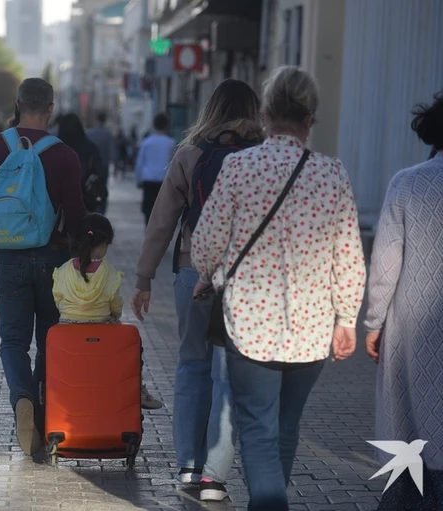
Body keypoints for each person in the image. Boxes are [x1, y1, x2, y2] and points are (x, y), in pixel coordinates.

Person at [190, 66, 366, 510]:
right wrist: (347, 318)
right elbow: (348, 254)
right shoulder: (332, 174)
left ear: (265, 115)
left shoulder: (238, 167)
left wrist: (207, 273)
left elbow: (206, 242)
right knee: (286, 428)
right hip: (312, 329)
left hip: (251, 325)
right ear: (311, 119)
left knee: (258, 429)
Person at [131, 79, 265, 501]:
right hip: (246, 279)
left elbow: (162, 222)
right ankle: (213, 474)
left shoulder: (190, 154)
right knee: (229, 375)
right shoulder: (263, 155)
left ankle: (188, 465)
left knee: (192, 366)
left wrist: (144, 277)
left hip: (192, 272)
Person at [0, 78, 86, 456]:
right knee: (49, 339)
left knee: (14, 341)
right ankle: (42, 416)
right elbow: (77, 215)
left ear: (17, 104)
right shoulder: (65, 154)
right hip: (52, 258)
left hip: (9, 256)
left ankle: (22, 399)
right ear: (50, 108)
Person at [365, 91, 443, 511]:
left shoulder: (408, 183)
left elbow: (385, 263)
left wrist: (373, 323)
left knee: (411, 430)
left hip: (414, 329)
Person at [54, 213, 163, 409]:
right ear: (103, 244)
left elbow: (58, 298)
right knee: (133, 342)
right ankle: (137, 390)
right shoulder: (109, 272)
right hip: (102, 328)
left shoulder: (63, 270)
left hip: (67, 327)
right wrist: (115, 315)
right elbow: (115, 305)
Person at [58, 113, 107, 213]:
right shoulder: (91, 148)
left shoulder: (57, 148)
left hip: (59, 204)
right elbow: (100, 172)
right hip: (86, 202)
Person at [135, 114, 176, 225]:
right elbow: (173, 163)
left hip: (149, 180)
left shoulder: (146, 142)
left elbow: (140, 163)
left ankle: (148, 230)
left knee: (148, 210)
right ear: (166, 125)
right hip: (164, 181)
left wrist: (138, 180)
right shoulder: (171, 143)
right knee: (162, 212)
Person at [86, 112, 115, 214]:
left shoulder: (90, 133)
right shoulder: (108, 134)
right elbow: (112, 151)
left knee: (90, 187)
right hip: (104, 165)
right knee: (102, 189)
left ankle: (92, 209)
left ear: (96, 120)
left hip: (91, 165)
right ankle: (101, 212)